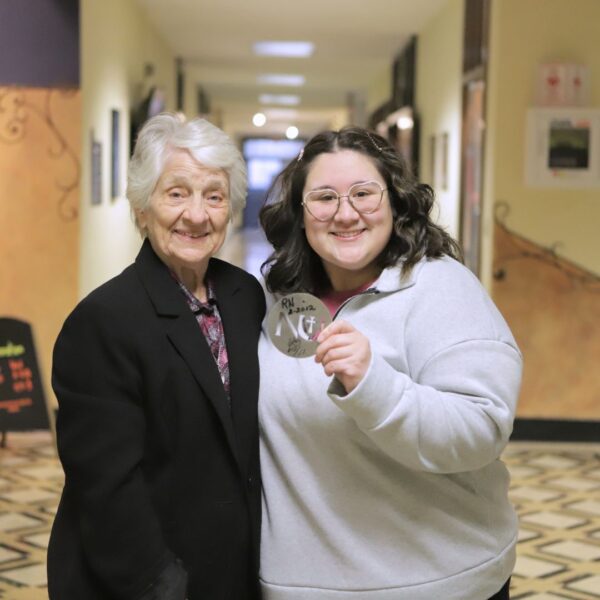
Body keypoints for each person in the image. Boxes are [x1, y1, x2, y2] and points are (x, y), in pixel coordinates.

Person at [258, 126, 522, 600]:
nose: (345, 213)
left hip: (436, 582)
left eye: (364, 193)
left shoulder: (442, 289)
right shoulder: (275, 297)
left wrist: (373, 384)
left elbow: (481, 430)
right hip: (299, 586)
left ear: (397, 203)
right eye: (324, 197)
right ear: (300, 213)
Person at [48, 113, 265, 600]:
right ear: (143, 208)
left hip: (231, 569)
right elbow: (106, 490)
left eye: (214, 195)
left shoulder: (244, 295)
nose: (197, 214)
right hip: (145, 577)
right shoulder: (103, 322)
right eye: (176, 193)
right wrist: (161, 586)